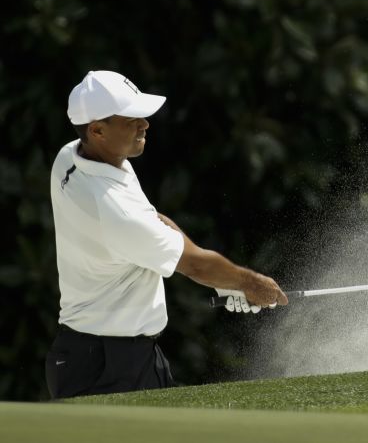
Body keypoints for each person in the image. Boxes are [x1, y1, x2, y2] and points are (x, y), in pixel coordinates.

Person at [46, 70, 288, 399]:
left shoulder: (71, 158)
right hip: (111, 368)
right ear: (98, 130)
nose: (144, 124)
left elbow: (155, 221)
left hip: (95, 355)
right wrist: (252, 283)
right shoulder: (115, 212)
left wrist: (224, 281)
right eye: (131, 118)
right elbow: (194, 265)